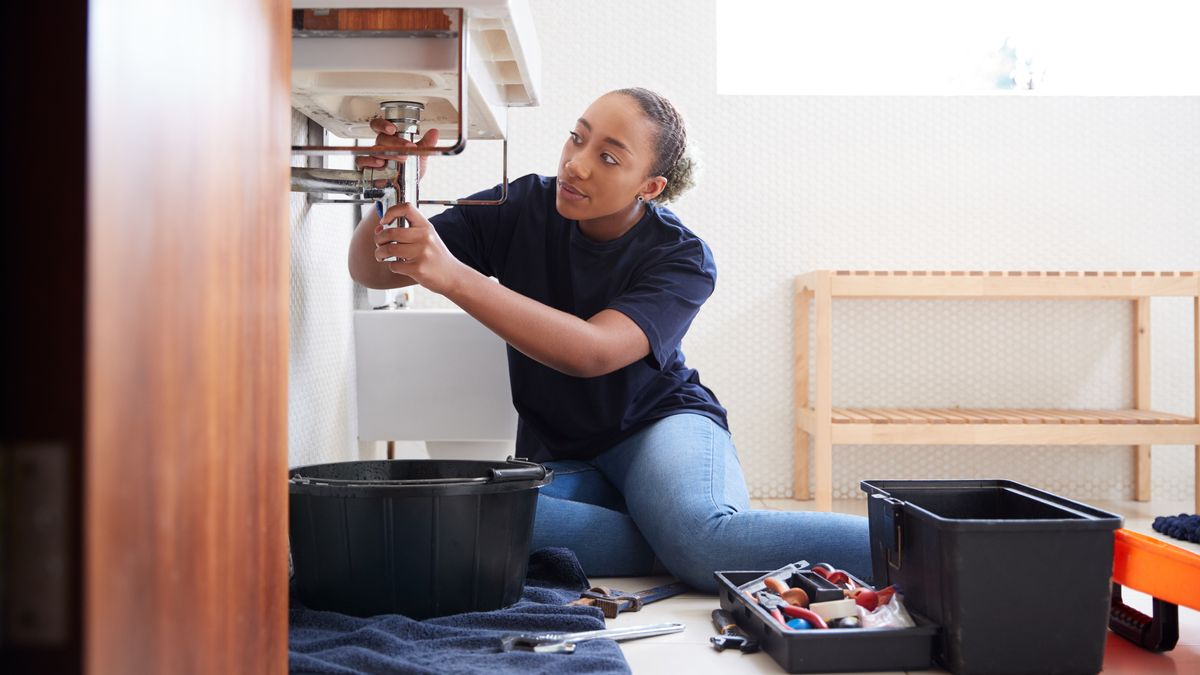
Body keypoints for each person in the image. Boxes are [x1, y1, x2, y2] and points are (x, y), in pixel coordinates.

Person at [348, 88, 870, 592]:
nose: (576, 164)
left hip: (659, 425)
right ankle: (673, 538)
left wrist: (456, 278)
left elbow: (591, 351)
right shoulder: (524, 204)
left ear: (650, 187)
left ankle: (918, 539)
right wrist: (392, 185)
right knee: (464, 520)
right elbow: (377, 269)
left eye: (610, 158)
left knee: (704, 540)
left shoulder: (682, 257)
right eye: (577, 138)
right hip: (562, 449)